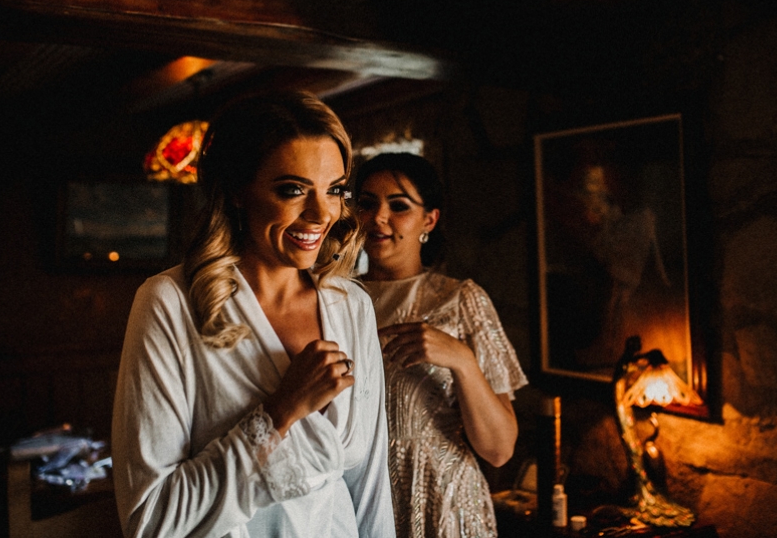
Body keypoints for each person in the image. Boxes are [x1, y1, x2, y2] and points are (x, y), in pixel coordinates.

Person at [112, 92, 395, 538]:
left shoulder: (351, 305)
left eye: (335, 189)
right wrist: (279, 414)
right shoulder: (169, 303)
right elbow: (151, 521)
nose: (322, 214)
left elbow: (371, 486)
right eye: (293, 190)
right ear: (239, 190)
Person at [353, 152, 528, 538]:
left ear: (429, 220)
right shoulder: (334, 299)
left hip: (442, 501)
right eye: (366, 203)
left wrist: (462, 360)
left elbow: (499, 450)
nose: (378, 217)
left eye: (398, 206)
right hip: (358, 496)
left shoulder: (461, 300)